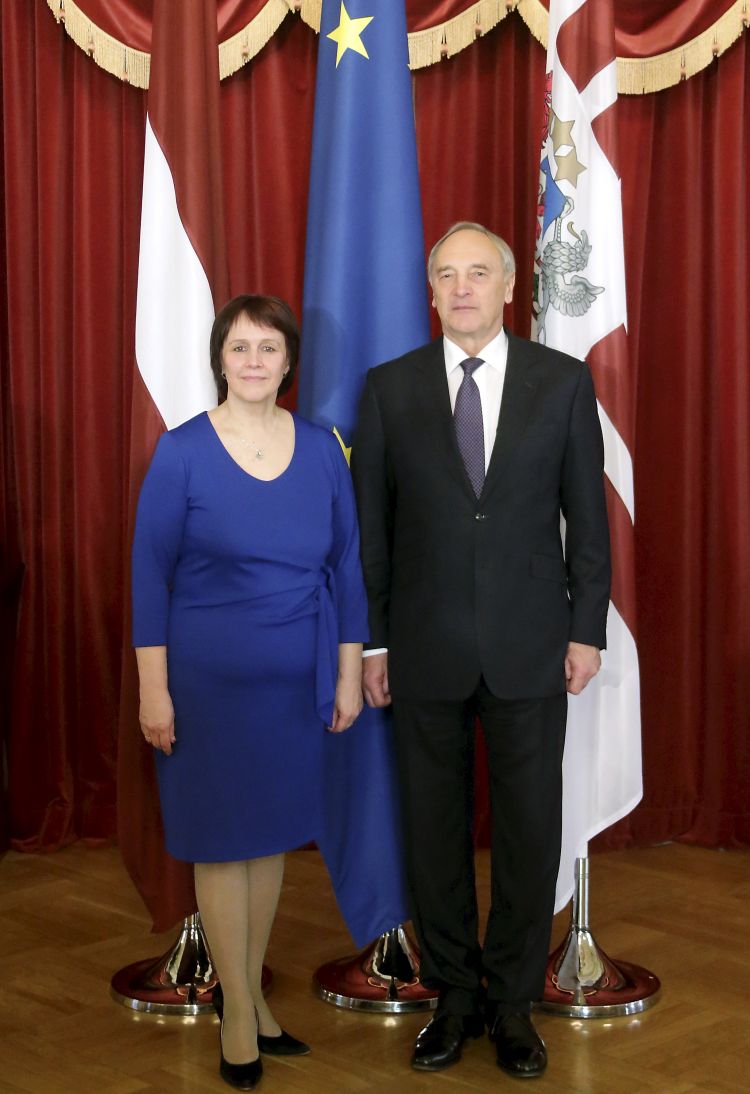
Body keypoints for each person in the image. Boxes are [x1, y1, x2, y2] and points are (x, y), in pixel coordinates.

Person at [351, 223, 610, 1079]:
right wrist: (376, 641)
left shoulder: (562, 383)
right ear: (431, 292)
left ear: (508, 286)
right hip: (422, 649)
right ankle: (455, 997)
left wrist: (586, 628)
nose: (462, 288)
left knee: (530, 832)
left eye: (478, 273)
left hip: (532, 645)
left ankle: (513, 1005)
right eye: (446, 275)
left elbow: (587, 519)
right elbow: (373, 532)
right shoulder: (389, 389)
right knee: (434, 832)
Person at [132, 294, 368, 1091]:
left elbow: (347, 569)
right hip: (205, 693)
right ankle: (238, 1011)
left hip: (295, 691)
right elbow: (149, 580)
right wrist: (154, 692)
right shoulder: (182, 452)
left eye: (269, 348)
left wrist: (347, 675)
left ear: (289, 361)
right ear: (220, 359)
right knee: (221, 843)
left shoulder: (323, 450)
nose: (255, 361)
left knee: (268, 841)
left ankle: (254, 999)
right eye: (240, 347)